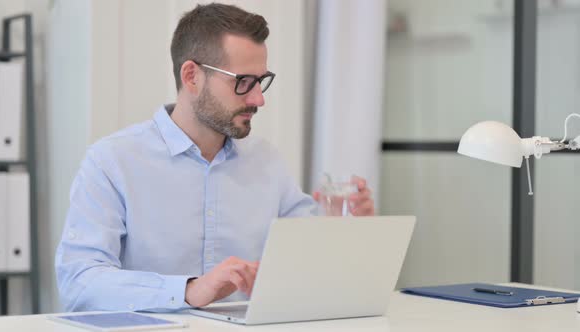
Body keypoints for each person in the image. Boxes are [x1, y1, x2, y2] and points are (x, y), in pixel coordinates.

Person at [55, 3, 374, 313]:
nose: (258, 98)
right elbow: (79, 282)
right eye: (243, 82)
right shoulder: (112, 161)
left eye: (260, 81)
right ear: (192, 76)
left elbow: (307, 262)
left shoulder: (267, 162)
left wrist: (344, 228)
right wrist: (189, 290)